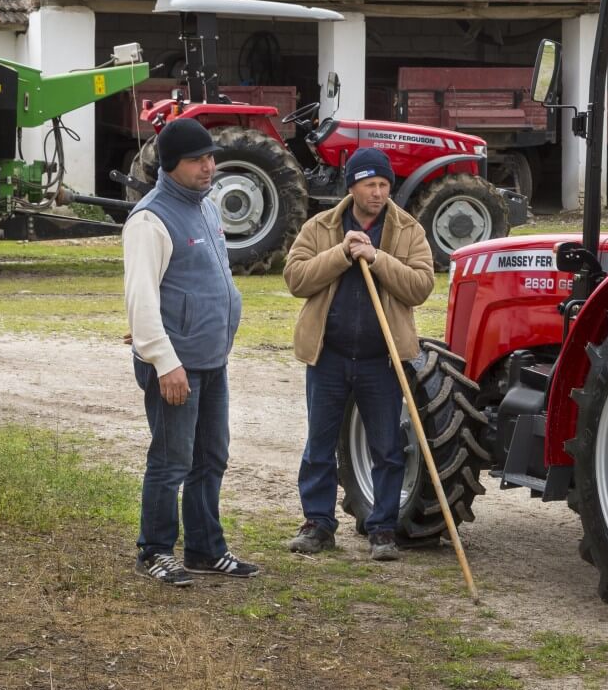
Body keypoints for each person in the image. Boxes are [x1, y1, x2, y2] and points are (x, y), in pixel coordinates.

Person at [123, 118, 260, 585]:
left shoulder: (205, 208)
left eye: (210, 157)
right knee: (171, 461)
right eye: (198, 160)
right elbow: (140, 301)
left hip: (210, 360)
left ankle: (205, 549)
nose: (209, 166)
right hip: (176, 368)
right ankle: (155, 550)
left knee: (211, 457)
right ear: (170, 165)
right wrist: (164, 360)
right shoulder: (149, 220)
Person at [283, 147, 435, 562]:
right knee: (319, 443)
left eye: (385, 185)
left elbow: (421, 286)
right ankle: (317, 524)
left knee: (386, 447)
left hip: (381, 360)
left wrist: (377, 258)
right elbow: (295, 278)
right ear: (353, 186)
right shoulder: (321, 226)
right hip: (328, 356)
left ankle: (382, 529)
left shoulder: (408, 230)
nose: (379, 193)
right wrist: (341, 254)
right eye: (371, 185)